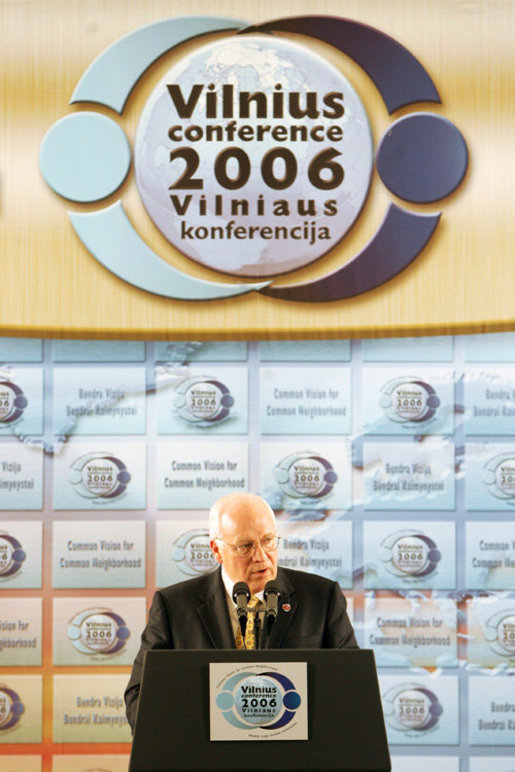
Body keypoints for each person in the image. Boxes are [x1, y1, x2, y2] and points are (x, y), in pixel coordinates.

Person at [124, 492, 358, 730]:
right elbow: (139, 696)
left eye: (268, 541)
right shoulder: (173, 606)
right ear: (216, 550)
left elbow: (352, 687)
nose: (261, 557)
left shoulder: (321, 597)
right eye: (245, 547)